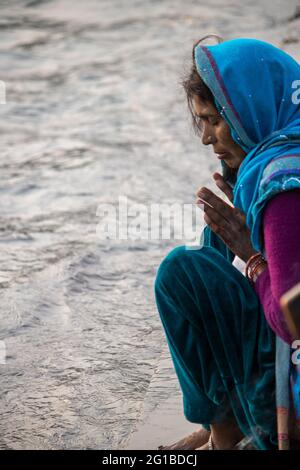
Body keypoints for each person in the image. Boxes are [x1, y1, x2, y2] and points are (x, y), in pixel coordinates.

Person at [154, 36, 300, 450]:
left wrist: (253, 256)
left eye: (213, 120)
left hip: (292, 394)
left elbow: (293, 321)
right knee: (210, 249)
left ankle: (231, 432)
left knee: (183, 271)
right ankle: (220, 423)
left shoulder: (284, 187)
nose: (205, 138)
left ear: (246, 111)